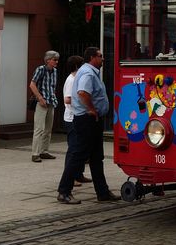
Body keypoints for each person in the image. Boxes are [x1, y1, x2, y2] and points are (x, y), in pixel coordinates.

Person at [56, 47, 120, 204]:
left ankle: (102, 192)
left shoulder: (90, 72)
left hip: (92, 120)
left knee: (96, 157)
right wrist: (91, 109)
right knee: (79, 155)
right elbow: (83, 93)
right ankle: (64, 191)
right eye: (100, 56)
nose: (103, 59)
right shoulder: (87, 73)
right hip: (86, 120)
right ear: (92, 57)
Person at [62, 55, 92, 185]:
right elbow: (67, 99)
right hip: (71, 117)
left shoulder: (77, 78)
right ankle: (71, 176)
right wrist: (83, 100)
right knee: (73, 148)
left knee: (80, 147)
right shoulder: (71, 80)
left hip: (77, 116)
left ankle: (79, 173)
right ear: (76, 66)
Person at [29, 50, 60, 163]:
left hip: (51, 102)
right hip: (41, 103)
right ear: (48, 60)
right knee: (39, 129)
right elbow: (32, 84)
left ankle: (44, 151)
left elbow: (52, 87)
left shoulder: (55, 71)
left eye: (57, 60)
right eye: (54, 60)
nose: (56, 62)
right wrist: (40, 98)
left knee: (48, 129)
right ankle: (35, 153)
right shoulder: (41, 69)